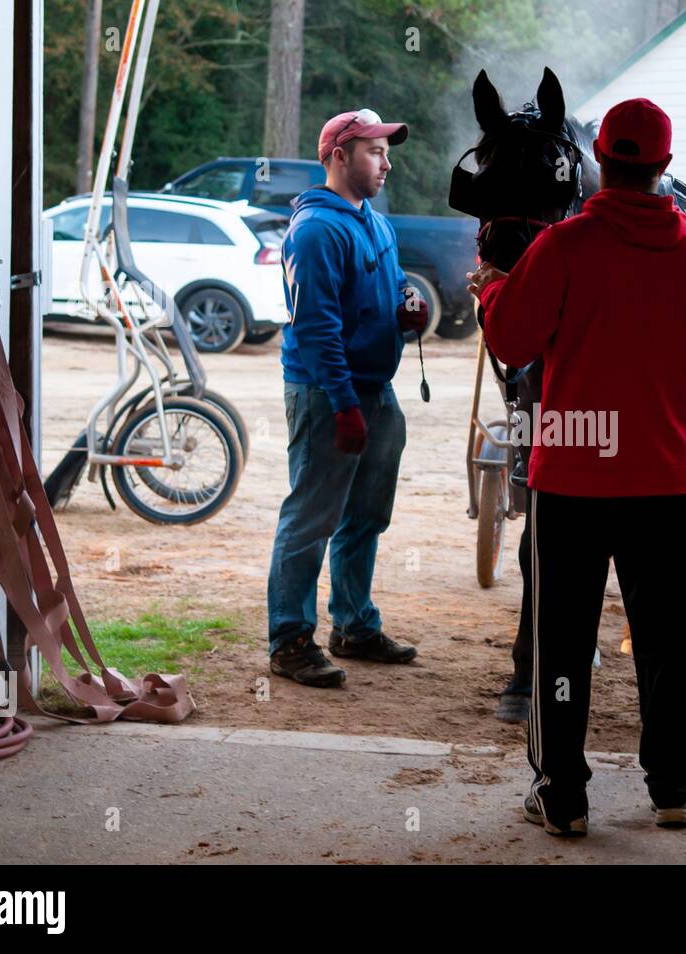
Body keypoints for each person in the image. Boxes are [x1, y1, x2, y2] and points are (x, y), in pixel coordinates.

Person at [468, 98, 686, 836]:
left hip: (574, 478)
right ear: (663, 167)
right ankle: (673, 789)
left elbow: (513, 341)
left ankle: (564, 796)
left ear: (598, 160)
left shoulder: (565, 248)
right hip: (670, 480)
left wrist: (488, 290)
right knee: (669, 643)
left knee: (563, 642)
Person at [266, 108, 426, 688]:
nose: (385, 163)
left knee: (365, 516)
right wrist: (344, 405)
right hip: (326, 393)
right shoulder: (314, 232)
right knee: (312, 516)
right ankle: (288, 639)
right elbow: (316, 329)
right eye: (374, 152)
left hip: (375, 390)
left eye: (386, 152)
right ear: (339, 156)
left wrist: (409, 302)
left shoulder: (373, 222)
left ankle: (354, 625)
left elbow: (396, 281)